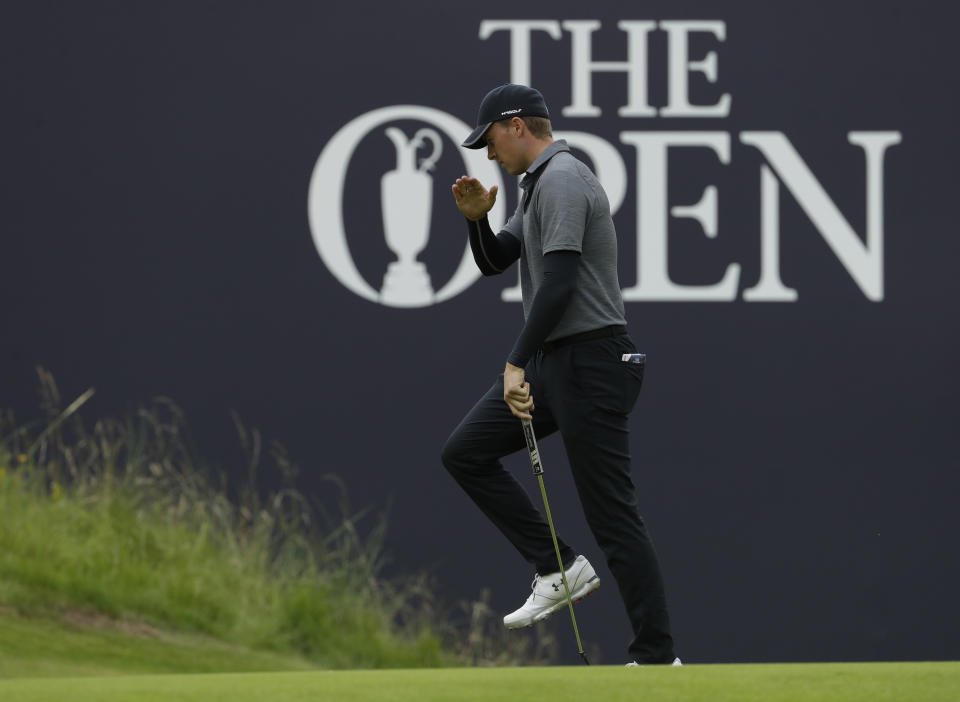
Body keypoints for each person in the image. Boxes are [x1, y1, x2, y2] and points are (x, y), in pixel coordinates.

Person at [441, 84, 679, 665]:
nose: (488, 153)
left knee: (613, 516)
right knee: (465, 452)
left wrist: (515, 361)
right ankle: (557, 567)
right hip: (558, 364)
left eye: (490, 139)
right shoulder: (538, 185)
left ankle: (657, 659)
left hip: (594, 362)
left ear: (517, 126)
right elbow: (498, 259)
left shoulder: (566, 177)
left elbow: (562, 283)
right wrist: (477, 222)